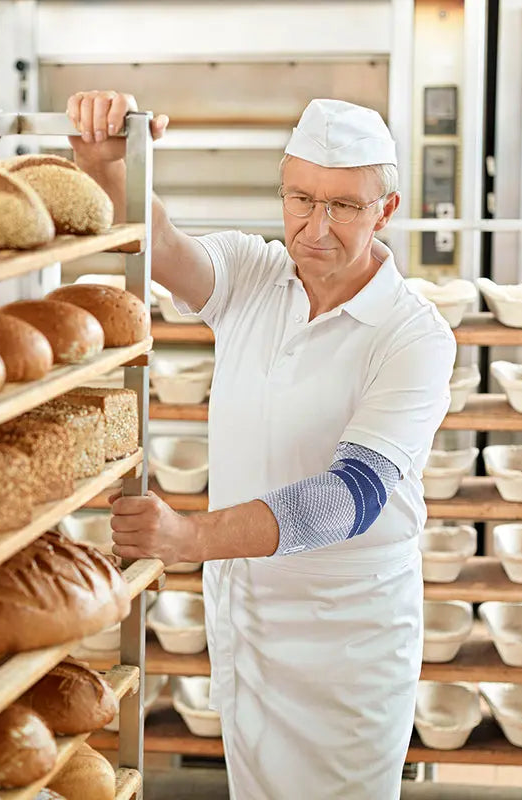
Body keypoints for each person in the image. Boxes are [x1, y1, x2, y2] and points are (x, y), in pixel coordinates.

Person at [67, 90, 456, 800]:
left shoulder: (414, 335)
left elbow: (352, 497)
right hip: (247, 620)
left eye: (344, 206)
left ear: (386, 211)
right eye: (301, 199)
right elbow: (164, 244)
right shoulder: (253, 273)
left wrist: (189, 536)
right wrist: (105, 163)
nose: (316, 227)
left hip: (347, 640)